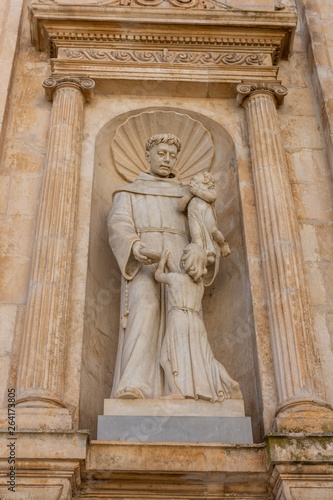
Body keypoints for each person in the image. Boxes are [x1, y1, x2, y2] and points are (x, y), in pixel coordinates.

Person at [108, 134, 213, 399]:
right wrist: (135, 246)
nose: (167, 159)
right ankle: (135, 384)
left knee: (183, 318)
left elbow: (204, 227)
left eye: (172, 155)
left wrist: (200, 248)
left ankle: (186, 387)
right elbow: (118, 224)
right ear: (149, 156)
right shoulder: (128, 192)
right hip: (145, 259)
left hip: (181, 260)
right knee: (145, 309)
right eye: (162, 154)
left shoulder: (187, 195)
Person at [155, 249, 241, 401]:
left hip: (179, 319)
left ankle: (176, 391)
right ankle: (228, 381)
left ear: (186, 262)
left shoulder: (175, 278)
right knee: (207, 359)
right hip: (196, 322)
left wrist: (162, 261)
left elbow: (158, 275)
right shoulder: (200, 286)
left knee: (164, 358)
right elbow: (184, 279)